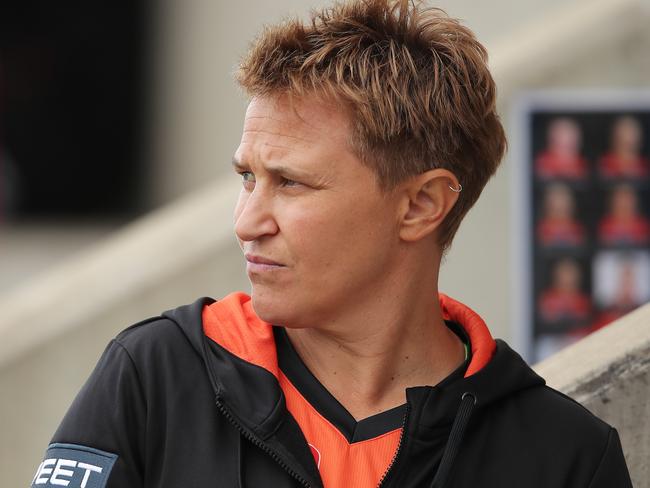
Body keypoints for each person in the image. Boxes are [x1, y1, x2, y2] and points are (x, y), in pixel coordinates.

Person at [31, 1, 632, 487]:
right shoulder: (155, 375)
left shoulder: (566, 457)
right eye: (248, 177)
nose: (246, 221)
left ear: (421, 205)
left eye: (290, 182)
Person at [536, 182, 585, 247]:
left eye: (563, 198)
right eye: (556, 199)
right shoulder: (542, 229)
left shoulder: (577, 229)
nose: (560, 204)